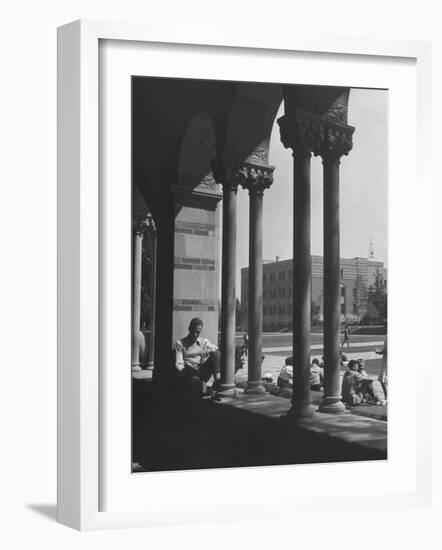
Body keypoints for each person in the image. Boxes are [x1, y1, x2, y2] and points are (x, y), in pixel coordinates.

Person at [174, 318, 221, 395]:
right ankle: (206, 388)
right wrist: (185, 373)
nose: (195, 334)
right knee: (196, 384)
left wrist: (207, 351)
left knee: (217, 353)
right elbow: (179, 364)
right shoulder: (180, 343)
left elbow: (215, 350)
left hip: (201, 370)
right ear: (189, 329)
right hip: (188, 372)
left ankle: (217, 380)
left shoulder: (204, 342)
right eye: (193, 331)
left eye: (198, 332)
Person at [376, 334, 388, 398]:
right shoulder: (387, 335)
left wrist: (382, 351)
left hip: (387, 359)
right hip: (385, 358)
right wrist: (382, 351)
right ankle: (386, 395)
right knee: (382, 379)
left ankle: (387, 396)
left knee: (383, 378)